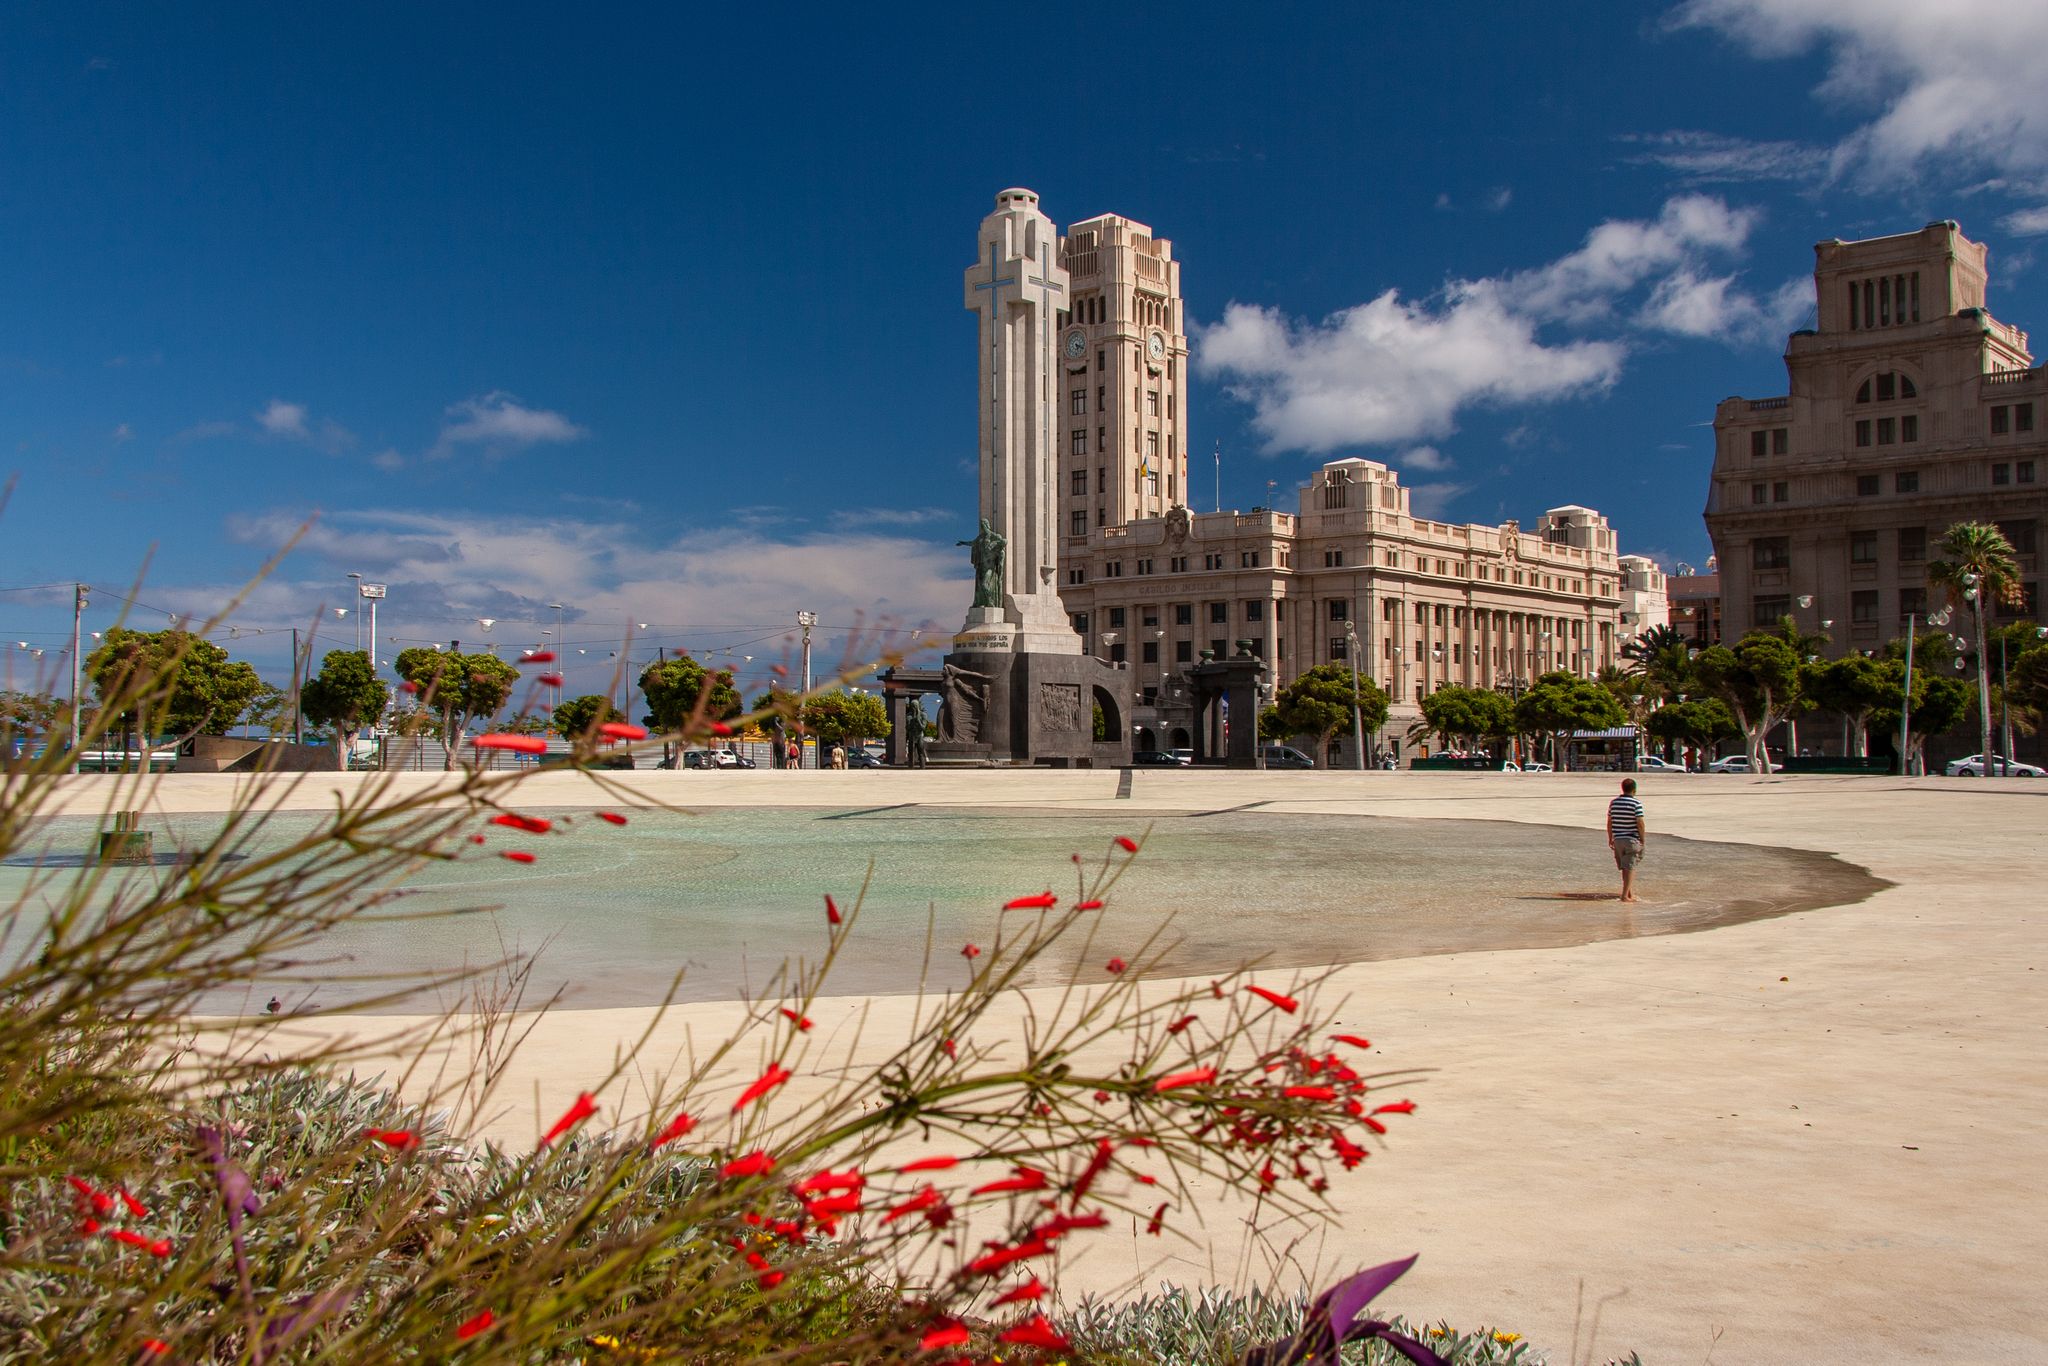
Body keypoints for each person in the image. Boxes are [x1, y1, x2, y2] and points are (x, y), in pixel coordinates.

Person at [1606, 777, 1647, 903]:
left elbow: (1609, 822)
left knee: (1625, 867)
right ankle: (1624, 896)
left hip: (1618, 839)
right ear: (1634, 790)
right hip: (1631, 839)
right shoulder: (1636, 804)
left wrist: (1610, 838)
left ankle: (1629, 892)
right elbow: (1640, 822)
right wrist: (1642, 839)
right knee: (1630, 867)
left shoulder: (1613, 803)